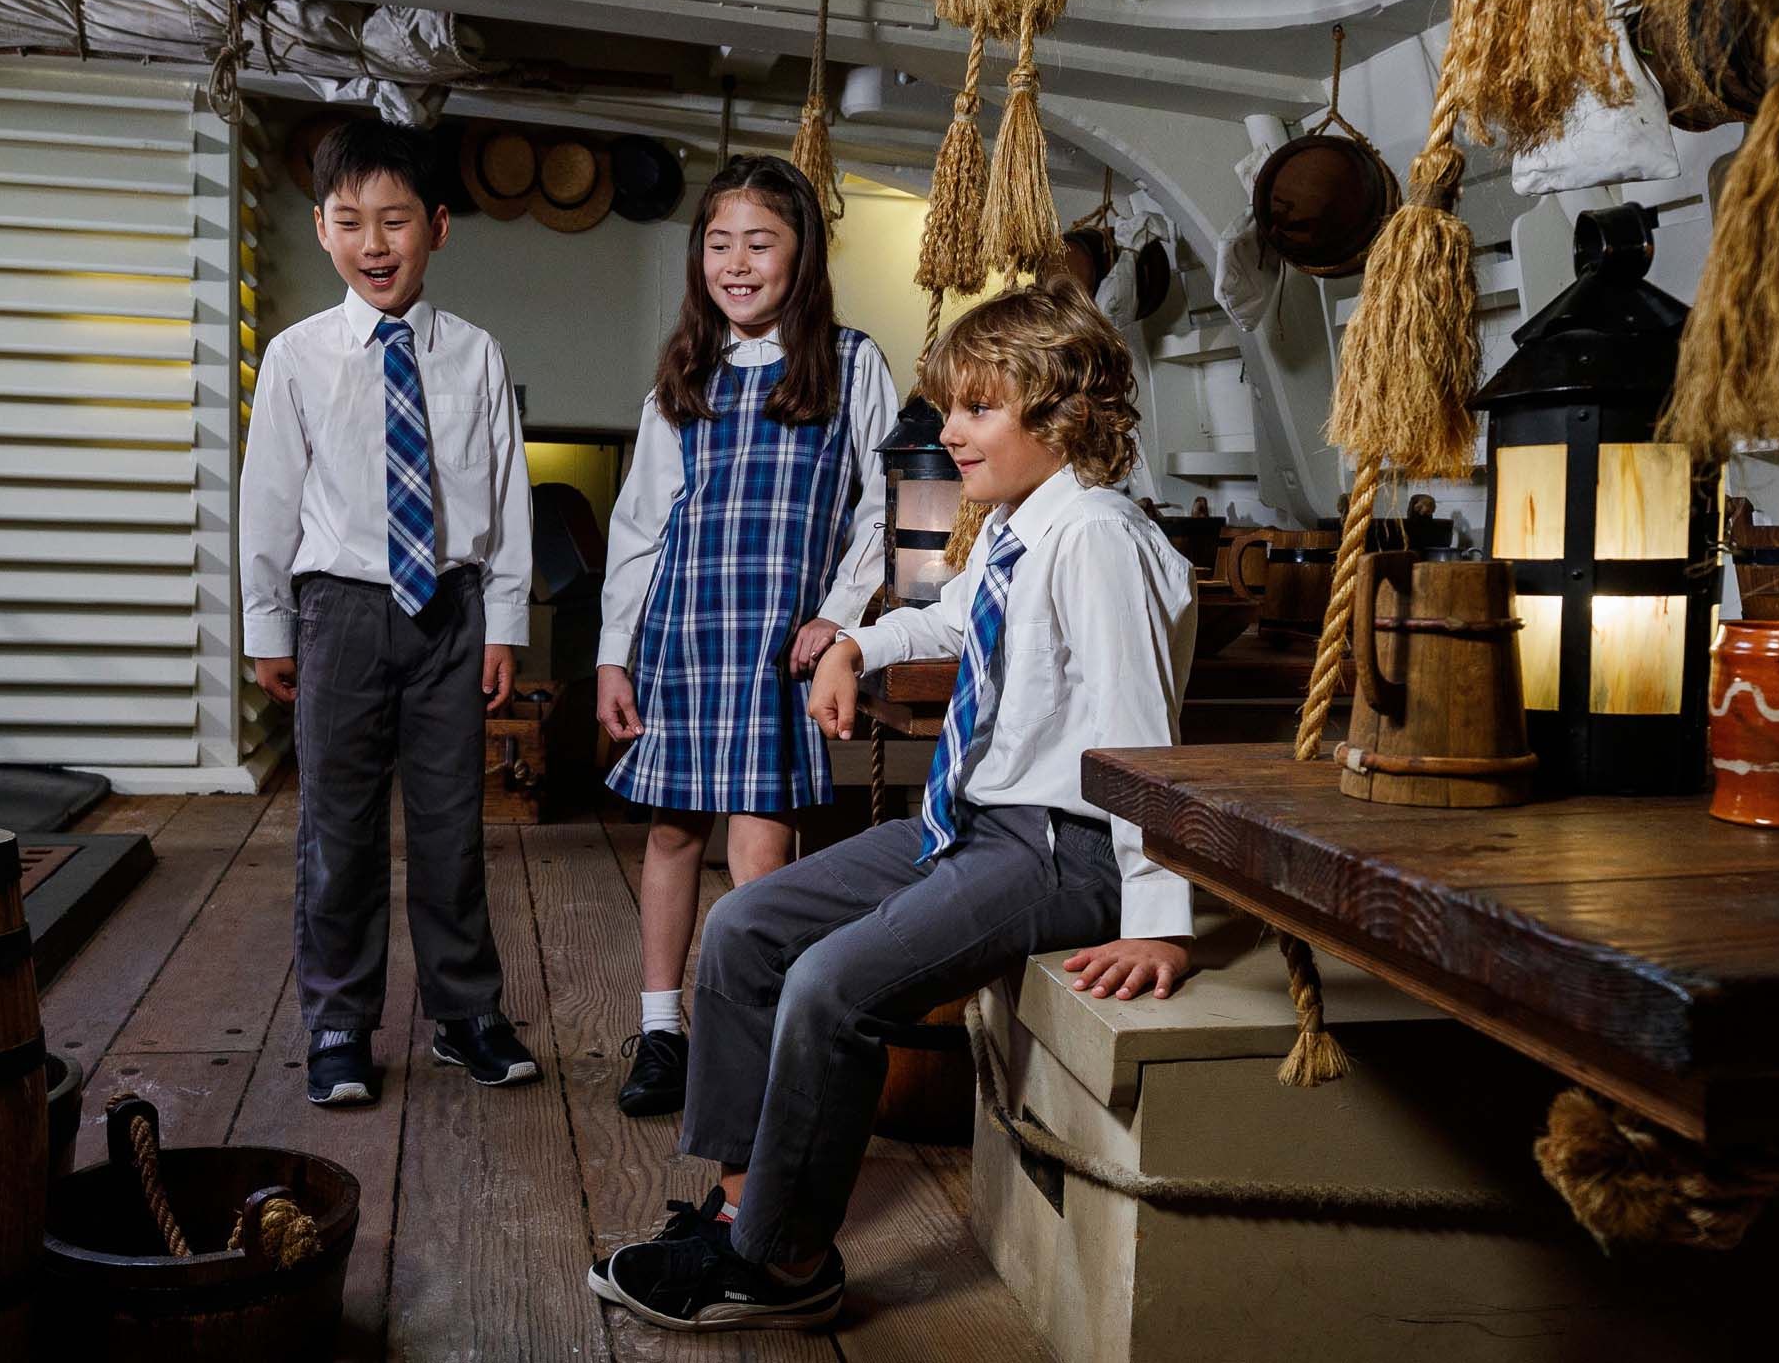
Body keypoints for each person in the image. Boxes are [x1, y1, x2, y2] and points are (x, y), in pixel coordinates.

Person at [588, 276, 1196, 1331]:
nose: (949, 432)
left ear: (1059, 415)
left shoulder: (1096, 537)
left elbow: (1141, 744)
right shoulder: (1018, 530)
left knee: (831, 983)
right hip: (976, 825)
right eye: (949, 407)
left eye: (978, 408)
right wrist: (858, 642)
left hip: (1065, 846)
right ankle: (743, 1218)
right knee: (744, 926)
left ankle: (783, 1266)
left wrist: (1161, 922)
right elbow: (951, 619)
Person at [239, 118, 539, 1108]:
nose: (375, 243)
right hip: (340, 615)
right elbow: (270, 500)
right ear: (322, 231)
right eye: (350, 221)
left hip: (449, 610)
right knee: (339, 831)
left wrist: (504, 622)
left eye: (397, 220)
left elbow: (504, 495)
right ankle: (337, 1022)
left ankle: (465, 1015)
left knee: (454, 828)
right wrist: (268, 624)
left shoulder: (476, 355)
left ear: (438, 228)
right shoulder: (295, 356)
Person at [593, 155, 897, 1119]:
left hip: (781, 645)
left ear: (801, 255)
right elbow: (640, 528)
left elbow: (887, 510)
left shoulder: (851, 365)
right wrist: (614, 652)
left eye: (759, 242)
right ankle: (660, 1032)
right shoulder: (684, 375)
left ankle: (752, 1035)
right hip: (683, 635)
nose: (737, 262)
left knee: (763, 847)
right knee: (674, 832)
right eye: (719, 243)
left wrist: (841, 614)